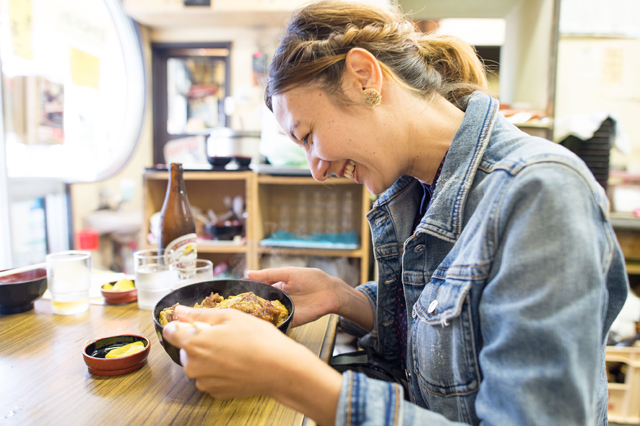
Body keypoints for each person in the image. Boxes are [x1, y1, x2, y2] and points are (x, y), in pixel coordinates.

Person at [163, 1, 629, 425]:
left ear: (364, 77)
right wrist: (347, 299)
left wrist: (295, 379)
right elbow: (450, 329)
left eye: (307, 136)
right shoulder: (417, 188)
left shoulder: (541, 191)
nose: (317, 172)